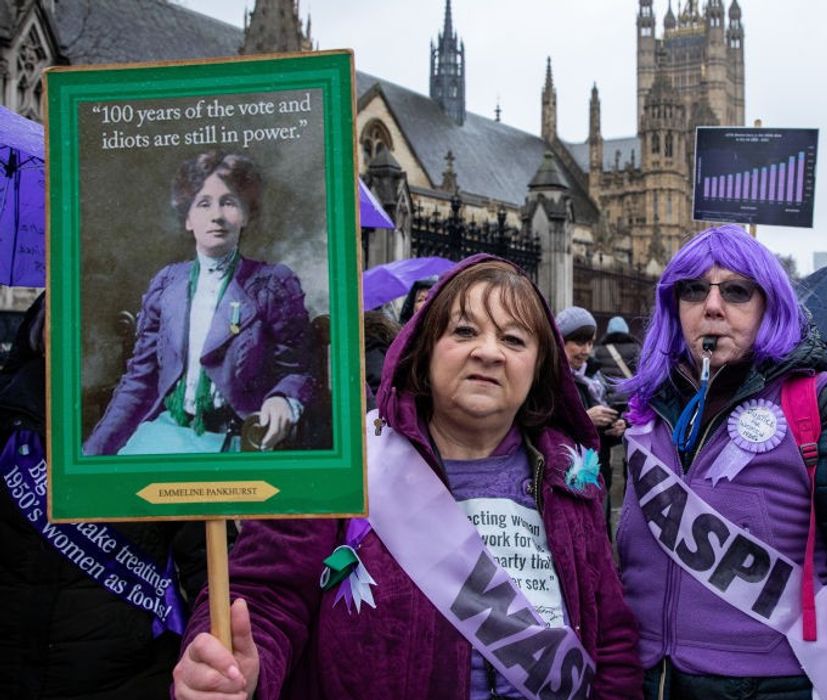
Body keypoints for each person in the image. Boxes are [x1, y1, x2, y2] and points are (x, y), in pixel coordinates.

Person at [172, 256, 641, 699]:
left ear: (540, 368)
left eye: (515, 340)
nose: (488, 352)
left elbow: (610, 637)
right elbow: (264, 597)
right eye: (463, 331)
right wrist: (236, 669)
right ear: (426, 349)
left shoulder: (568, 480)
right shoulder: (346, 462)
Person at [616, 224, 827, 700]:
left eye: (736, 291)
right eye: (692, 290)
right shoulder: (648, 411)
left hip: (766, 686)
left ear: (769, 304)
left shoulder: (823, 403)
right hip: (644, 680)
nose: (711, 306)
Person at [0, 294, 215, 698]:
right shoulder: (9, 418)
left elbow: (210, 568)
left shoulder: (163, 431)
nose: (80, 339)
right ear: (41, 334)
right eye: (62, 321)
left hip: (127, 680)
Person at [83, 151, 315, 456]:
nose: (216, 215)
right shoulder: (167, 284)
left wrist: (282, 398)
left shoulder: (271, 284)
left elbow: (299, 370)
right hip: (168, 432)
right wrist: (94, 456)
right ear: (188, 218)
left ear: (245, 214)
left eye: (229, 202)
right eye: (203, 203)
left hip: (239, 438)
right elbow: (140, 380)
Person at [557, 306, 626, 531]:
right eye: (578, 343)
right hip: (566, 476)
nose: (586, 350)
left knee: (600, 531)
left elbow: (596, 431)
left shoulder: (594, 377)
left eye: (590, 342)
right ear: (560, 341)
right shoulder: (549, 378)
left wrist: (615, 428)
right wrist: (585, 418)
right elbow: (540, 426)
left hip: (596, 471)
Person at [593, 316, 641, 407]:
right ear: (626, 331)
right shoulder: (635, 349)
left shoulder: (600, 351)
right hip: (630, 400)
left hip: (608, 400)